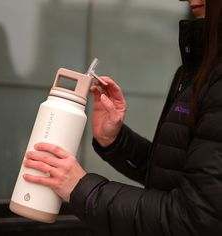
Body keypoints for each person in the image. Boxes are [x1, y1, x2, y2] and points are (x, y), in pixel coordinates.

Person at [23, 0, 222, 235]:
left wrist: (81, 188)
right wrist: (116, 140)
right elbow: (173, 174)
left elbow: (196, 217)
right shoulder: (197, 69)